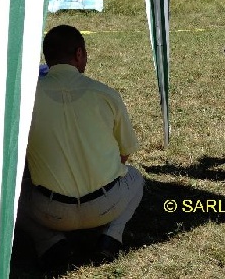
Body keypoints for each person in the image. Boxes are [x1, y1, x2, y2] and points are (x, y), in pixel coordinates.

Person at [19, 25, 144, 271]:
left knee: (13, 197)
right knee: (136, 178)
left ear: (47, 56)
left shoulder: (25, 98)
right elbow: (125, 152)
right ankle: (112, 236)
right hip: (106, 205)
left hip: (50, 212)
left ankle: (50, 242)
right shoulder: (106, 94)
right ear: (79, 54)